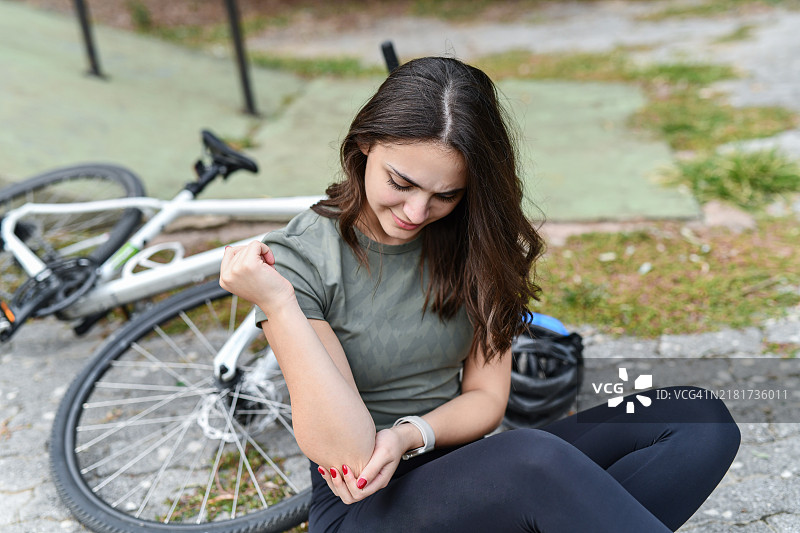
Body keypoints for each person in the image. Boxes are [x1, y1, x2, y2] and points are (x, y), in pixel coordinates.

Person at [219, 57, 740, 533]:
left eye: (445, 194)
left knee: (698, 419)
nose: (417, 212)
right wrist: (280, 305)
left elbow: (487, 400)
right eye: (400, 182)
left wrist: (408, 434)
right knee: (533, 460)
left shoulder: (477, 242)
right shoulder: (301, 259)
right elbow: (352, 459)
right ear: (364, 145)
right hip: (365, 510)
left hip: (471, 475)